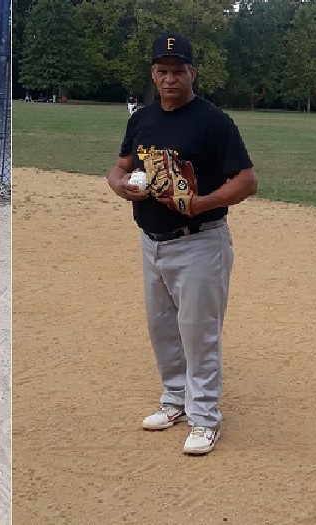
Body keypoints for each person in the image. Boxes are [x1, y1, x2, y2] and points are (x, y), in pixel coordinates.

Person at [107, 32, 257, 456]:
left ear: (192, 73)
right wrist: (120, 185)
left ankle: (205, 417)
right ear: (153, 74)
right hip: (151, 241)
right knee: (162, 329)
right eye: (162, 71)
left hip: (199, 241)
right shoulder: (142, 119)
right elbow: (119, 168)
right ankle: (175, 399)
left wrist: (200, 203)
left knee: (199, 332)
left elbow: (247, 181)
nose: (169, 78)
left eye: (178, 71)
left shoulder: (213, 121)